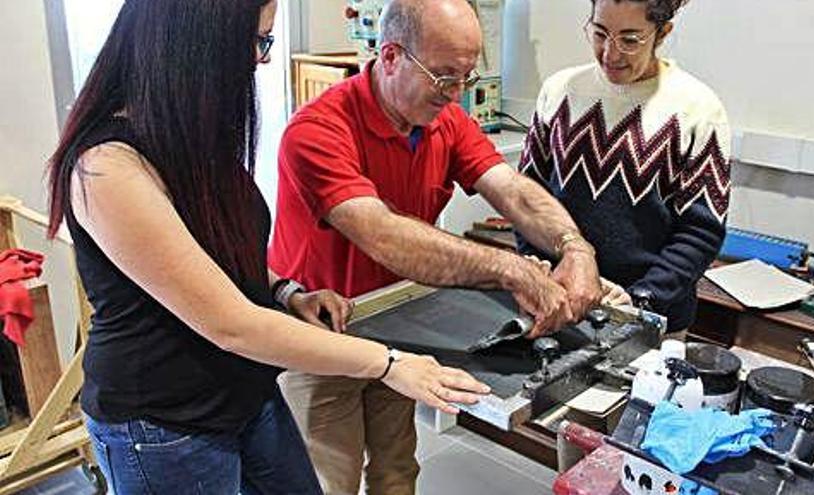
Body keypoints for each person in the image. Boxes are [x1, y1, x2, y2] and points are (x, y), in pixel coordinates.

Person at [45, 1, 490, 493]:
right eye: (256, 41)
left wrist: (286, 292)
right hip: (165, 424)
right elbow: (231, 323)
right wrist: (389, 362)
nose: (260, 59)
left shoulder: (191, 137)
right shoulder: (106, 166)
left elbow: (224, 258)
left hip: (245, 391)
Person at [268, 0, 608, 493]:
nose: (456, 93)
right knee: (327, 482)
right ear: (390, 57)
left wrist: (576, 248)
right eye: (444, 75)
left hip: (395, 328)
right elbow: (383, 234)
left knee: (397, 469)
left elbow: (510, 190)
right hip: (321, 333)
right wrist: (512, 269)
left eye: (467, 76)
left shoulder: (443, 119)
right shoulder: (317, 130)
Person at [519, 0, 732, 338]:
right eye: (600, 33)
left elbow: (700, 232)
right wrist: (536, 268)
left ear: (663, 33)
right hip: (557, 299)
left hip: (649, 316)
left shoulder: (697, 110)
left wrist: (642, 299)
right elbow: (527, 197)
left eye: (630, 40)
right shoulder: (560, 91)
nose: (610, 54)